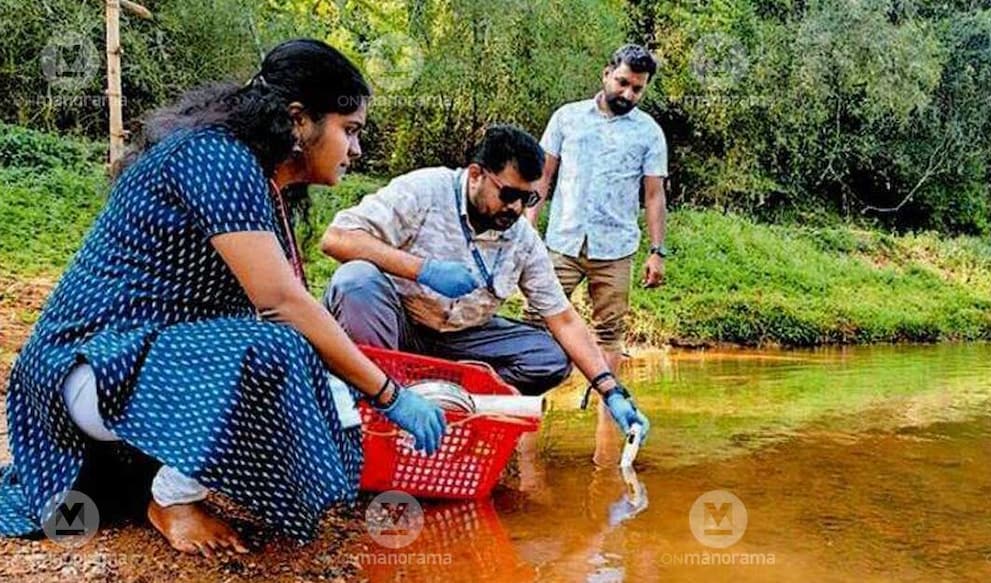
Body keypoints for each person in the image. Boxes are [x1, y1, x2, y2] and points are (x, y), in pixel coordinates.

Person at [0, 39, 448, 556]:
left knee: (315, 369)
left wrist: (353, 394)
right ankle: (171, 500)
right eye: (350, 131)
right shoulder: (215, 158)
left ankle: (175, 479)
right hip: (88, 367)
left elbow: (291, 311)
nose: (356, 151)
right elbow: (281, 304)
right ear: (299, 120)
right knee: (278, 350)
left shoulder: (261, 182)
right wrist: (389, 395)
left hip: (140, 364)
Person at [319, 124, 651, 441]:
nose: (517, 208)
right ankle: (375, 402)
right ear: (476, 174)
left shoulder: (521, 238)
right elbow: (337, 239)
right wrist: (422, 270)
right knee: (355, 281)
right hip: (397, 326)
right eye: (508, 194)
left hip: (462, 340)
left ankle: (446, 402)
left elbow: (562, 318)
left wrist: (611, 390)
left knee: (549, 357)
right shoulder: (424, 190)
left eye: (528, 198)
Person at [525, 43, 669, 375]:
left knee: (609, 331)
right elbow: (543, 176)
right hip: (562, 242)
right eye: (622, 83)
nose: (628, 94)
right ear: (606, 74)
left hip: (615, 249)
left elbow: (654, 196)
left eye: (637, 88)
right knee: (536, 317)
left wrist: (657, 251)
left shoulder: (649, 133)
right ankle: (528, 398)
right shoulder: (567, 117)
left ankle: (608, 414)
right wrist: (529, 224)